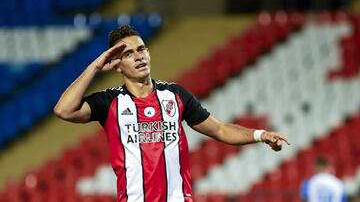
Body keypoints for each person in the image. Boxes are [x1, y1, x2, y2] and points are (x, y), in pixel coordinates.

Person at [54, 25, 290, 202]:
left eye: (141, 49)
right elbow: (64, 110)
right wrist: (95, 67)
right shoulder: (110, 102)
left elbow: (219, 129)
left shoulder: (175, 95)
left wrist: (260, 135)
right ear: (116, 64)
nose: (139, 56)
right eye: (128, 54)